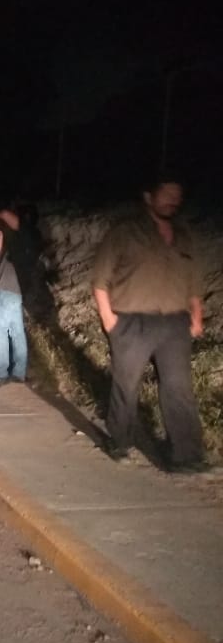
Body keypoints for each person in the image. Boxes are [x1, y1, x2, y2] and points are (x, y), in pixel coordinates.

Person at [91, 175, 205, 470]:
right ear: (148, 197)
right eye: (166, 194)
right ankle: (119, 441)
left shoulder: (184, 234)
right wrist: (109, 320)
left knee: (178, 388)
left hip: (174, 324)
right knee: (126, 385)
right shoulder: (125, 233)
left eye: (176, 195)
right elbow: (100, 280)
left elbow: (193, 281)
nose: (172, 200)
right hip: (131, 322)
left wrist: (196, 315)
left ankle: (186, 455)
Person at [0, 207, 28, 386]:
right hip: (16, 294)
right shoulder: (23, 247)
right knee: (17, 334)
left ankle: (0, 374)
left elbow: (17, 223)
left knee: (0, 333)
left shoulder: (25, 235)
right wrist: (0, 245)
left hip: (5, 291)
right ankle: (19, 373)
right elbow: (5, 262)